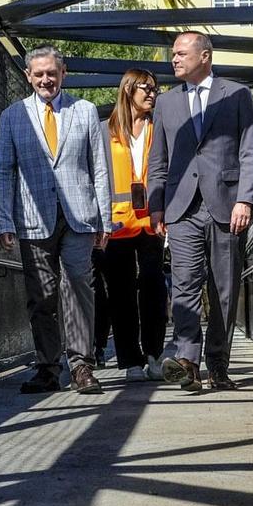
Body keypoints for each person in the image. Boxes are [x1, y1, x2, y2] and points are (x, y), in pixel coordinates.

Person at [0, 46, 114, 395]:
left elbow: (99, 169)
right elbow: (2, 170)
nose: (46, 79)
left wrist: (104, 220)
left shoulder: (85, 111)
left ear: (63, 74)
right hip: (32, 219)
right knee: (41, 295)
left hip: (79, 217)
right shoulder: (13, 116)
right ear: (29, 76)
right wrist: (3, 221)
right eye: (39, 73)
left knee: (78, 288)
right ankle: (47, 367)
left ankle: (82, 367)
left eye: (52, 73)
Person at [146, 32, 253, 392]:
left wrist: (247, 198)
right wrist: (156, 205)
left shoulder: (237, 94)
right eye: (173, 54)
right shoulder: (166, 103)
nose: (174, 59)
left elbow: (250, 150)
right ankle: (187, 362)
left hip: (227, 204)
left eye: (181, 53)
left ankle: (219, 365)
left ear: (205, 56)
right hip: (181, 209)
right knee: (184, 287)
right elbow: (158, 160)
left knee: (224, 288)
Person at [100, 67, 168, 383]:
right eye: (146, 88)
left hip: (152, 221)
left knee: (154, 285)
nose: (152, 93)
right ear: (128, 89)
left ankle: (154, 353)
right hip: (116, 224)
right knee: (121, 291)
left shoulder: (160, 129)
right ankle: (130, 360)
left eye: (155, 88)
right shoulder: (104, 131)